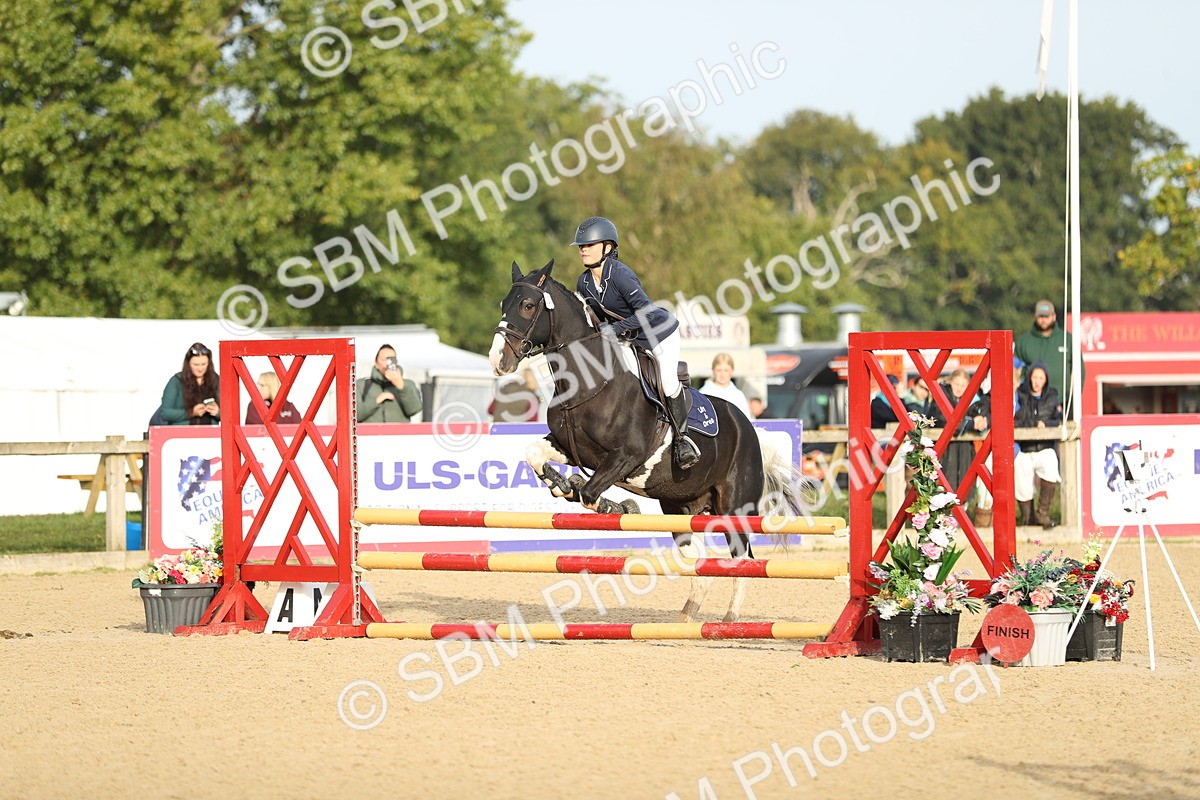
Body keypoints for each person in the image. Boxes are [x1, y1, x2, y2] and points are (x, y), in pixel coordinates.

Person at [571, 216, 700, 469]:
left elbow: (648, 312)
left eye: (589, 245)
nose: (583, 249)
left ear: (607, 247)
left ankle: (683, 440)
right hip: (627, 338)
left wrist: (616, 328)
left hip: (659, 334)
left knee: (667, 381)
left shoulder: (620, 275)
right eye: (581, 246)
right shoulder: (583, 282)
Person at [1014, 361, 1063, 528]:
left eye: (1041, 378)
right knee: (1021, 479)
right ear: (1029, 378)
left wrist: (1046, 424)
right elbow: (1016, 417)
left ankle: (1043, 513)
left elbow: (1057, 419)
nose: (1037, 381)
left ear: (1046, 380)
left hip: (1044, 446)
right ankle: (1028, 519)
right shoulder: (1019, 394)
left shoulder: (1052, 396)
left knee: (1051, 466)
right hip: (1024, 447)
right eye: (1034, 377)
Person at [1014, 299, 1080, 414]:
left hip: (1064, 403)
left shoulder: (1068, 340)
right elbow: (1014, 371)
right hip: (1030, 404)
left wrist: (1073, 396)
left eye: (1047, 316)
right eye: (1041, 316)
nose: (1044, 320)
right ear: (1035, 316)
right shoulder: (1023, 341)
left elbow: (1079, 370)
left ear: (1054, 316)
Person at [930, 368, 977, 491]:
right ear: (950, 382)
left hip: (965, 447)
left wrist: (980, 422)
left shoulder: (972, 400)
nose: (959, 388)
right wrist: (969, 424)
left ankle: (962, 506)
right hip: (945, 447)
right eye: (957, 384)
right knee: (944, 482)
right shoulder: (940, 396)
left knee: (964, 481)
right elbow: (943, 417)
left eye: (963, 385)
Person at [356, 345, 422, 423]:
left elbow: (414, 409)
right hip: (371, 434)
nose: (388, 364)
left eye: (391, 359)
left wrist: (401, 386)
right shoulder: (362, 385)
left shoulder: (408, 384)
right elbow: (355, 416)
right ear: (376, 363)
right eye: (384, 360)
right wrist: (376, 401)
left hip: (398, 434)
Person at [158, 342, 221, 425]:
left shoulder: (217, 380)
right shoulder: (176, 381)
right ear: (188, 364)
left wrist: (218, 412)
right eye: (195, 365)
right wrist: (191, 412)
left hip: (210, 433)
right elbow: (165, 413)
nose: (200, 368)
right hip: (182, 433)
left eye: (203, 364)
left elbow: (231, 414)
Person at [699, 353, 752, 419]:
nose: (722, 374)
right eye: (719, 370)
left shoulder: (739, 396)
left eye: (726, 370)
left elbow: (747, 421)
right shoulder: (703, 394)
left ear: (732, 371)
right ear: (713, 370)